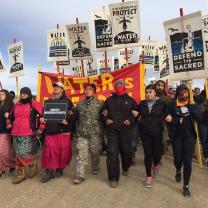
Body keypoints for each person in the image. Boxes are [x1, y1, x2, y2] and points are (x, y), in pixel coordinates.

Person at [165, 84, 201, 198]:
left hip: (189, 137)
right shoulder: (172, 104)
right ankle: (178, 170)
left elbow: (199, 118)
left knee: (187, 161)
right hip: (176, 136)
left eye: (186, 92)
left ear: (188, 93)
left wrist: (193, 108)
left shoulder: (192, 104)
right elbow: (166, 116)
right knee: (177, 159)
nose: (183, 94)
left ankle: (186, 186)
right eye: (181, 92)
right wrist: (172, 118)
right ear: (178, 93)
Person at [101, 79, 138, 188]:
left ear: (125, 86)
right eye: (117, 85)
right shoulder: (109, 100)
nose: (119, 86)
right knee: (112, 153)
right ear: (114, 87)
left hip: (126, 130)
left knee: (127, 152)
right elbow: (102, 113)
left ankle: (126, 167)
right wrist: (106, 119)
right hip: (112, 130)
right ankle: (113, 178)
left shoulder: (130, 100)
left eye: (121, 84)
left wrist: (130, 120)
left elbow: (137, 112)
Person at [39, 82, 75, 183]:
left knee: (63, 152)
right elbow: (44, 114)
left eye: (57, 87)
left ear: (62, 90)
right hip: (51, 130)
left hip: (63, 131)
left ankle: (60, 168)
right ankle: (49, 171)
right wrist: (41, 119)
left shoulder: (68, 101)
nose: (55, 89)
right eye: (54, 87)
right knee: (49, 151)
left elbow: (74, 113)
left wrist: (67, 119)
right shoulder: (48, 102)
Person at [8, 87, 42, 184]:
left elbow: (44, 114)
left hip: (27, 132)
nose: (23, 95)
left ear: (29, 94)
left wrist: (41, 127)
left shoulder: (33, 103)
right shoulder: (16, 104)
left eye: (25, 93)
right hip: (15, 132)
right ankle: (20, 174)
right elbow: (10, 116)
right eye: (22, 93)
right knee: (18, 153)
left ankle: (32, 165)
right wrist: (9, 123)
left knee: (24, 153)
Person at [138, 85, 167, 188]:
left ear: (155, 93)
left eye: (150, 92)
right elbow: (136, 113)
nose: (148, 94)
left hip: (157, 132)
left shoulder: (162, 103)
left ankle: (155, 165)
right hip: (145, 132)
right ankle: (149, 177)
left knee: (156, 154)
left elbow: (168, 112)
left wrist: (169, 116)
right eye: (146, 92)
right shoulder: (142, 103)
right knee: (148, 154)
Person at [73, 84, 103, 184]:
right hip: (82, 133)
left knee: (95, 153)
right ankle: (80, 175)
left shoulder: (100, 103)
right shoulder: (80, 104)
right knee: (81, 155)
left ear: (94, 92)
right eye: (86, 89)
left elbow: (104, 118)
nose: (87, 91)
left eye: (89, 89)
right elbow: (76, 118)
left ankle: (95, 166)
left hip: (95, 133)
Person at [0, 89, 15, 177]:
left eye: (2, 94)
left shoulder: (11, 104)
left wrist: (9, 115)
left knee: (2, 152)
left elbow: (15, 117)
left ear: (6, 95)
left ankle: (2, 169)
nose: (0, 96)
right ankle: (13, 164)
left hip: (6, 131)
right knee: (6, 152)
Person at [155, 80, 171, 159]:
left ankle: (162, 152)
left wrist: (169, 115)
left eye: (161, 86)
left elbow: (170, 110)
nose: (159, 87)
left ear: (164, 87)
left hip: (163, 123)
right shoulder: (150, 95)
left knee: (163, 140)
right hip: (152, 123)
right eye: (158, 85)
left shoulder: (166, 99)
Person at [199, 98, 208, 165]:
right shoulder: (203, 105)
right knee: (204, 141)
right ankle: (206, 156)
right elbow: (200, 115)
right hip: (204, 125)